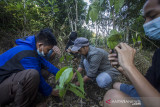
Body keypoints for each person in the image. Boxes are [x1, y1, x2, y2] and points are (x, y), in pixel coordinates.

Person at [103, 0, 160, 106]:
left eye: (152, 16)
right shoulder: (158, 53)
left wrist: (129, 66)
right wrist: (124, 69)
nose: (145, 24)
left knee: (110, 98)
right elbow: (147, 83)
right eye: (145, 19)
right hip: (151, 92)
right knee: (116, 84)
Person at [0, 28, 60, 106]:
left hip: (6, 81)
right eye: (48, 50)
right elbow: (38, 77)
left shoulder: (31, 48)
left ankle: (30, 95)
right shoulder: (27, 53)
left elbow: (47, 64)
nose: (48, 52)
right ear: (40, 45)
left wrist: (62, 73)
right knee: (32, 75)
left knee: (44, 72)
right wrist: (50, 91)